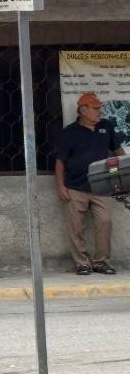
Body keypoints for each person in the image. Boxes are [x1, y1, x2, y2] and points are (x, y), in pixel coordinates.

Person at [56, 92, 126, 275]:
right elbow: (60, 161)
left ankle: (100, 261)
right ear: (83, 110)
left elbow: (118, 151)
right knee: (75, 227)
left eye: (99, 108)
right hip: (75, 187)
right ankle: (82, 263)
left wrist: (126, 172)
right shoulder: (70, 132)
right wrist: (60, 186)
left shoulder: (106, 127)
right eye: (95, 108)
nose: (99, 112)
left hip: (103, 187)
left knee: (105, 221)